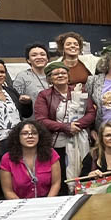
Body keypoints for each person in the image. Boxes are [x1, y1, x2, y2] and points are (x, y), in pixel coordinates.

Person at [34, 62, 96, 194]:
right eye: (56, 74)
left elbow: (91, 112)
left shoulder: (80, 91)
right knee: (62, 178)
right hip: (58, 144)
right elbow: (41, 120)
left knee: (83, 171)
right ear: (50, 78)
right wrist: (66, 127)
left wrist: (76, 126)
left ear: (68, 76)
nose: (60, 75)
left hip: (81, 141)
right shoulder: (44, 95)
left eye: (63, 73)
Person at [0, 120, 60, 199]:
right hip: (18, 205)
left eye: (34, 133)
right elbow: (8, 191)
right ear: (17, 137)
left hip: (47, 203)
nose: (30, 136)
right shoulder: (7, 159)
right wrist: (23, 207)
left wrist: (47, 203)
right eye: (25, 133)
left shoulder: (51, 154)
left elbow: (56, 183)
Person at [13, 43, 50, 118]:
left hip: (52, 121)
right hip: (31, 122)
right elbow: (15, 100)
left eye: (42, 54)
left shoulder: (54, 75)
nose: (39, 57)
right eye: (34, 55)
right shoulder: (22, 77)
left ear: (47, 59)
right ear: (28, 60)